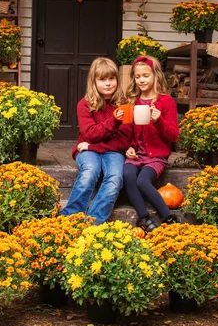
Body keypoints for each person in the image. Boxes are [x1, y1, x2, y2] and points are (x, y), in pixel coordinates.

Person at [61, 57, 132, 224]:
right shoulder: (84, 104)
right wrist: (114, 122)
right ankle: (69, 218)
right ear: (94, 82)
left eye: (111, 78)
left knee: (115, 177)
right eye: (102, 79)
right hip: (88, 151)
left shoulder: (124, 105)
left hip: (107, 150)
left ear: (117, 80)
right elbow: (90, 133)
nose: (108, 83)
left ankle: (92, 222)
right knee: (90, 171)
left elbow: (124, 140)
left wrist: (93, 146)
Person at [123, 55, 179, 232]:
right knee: (127, 175)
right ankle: (144, 218)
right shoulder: (131, 101)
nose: (141, 80)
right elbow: (126, 131)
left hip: (156, 157)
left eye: (146, 76)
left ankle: (168, 217)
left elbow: (173, 136)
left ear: (155, 76)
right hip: (136, 155)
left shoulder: (166, 102)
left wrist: (159, 121)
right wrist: (129, 147)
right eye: (137, 77)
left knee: (142, 181)